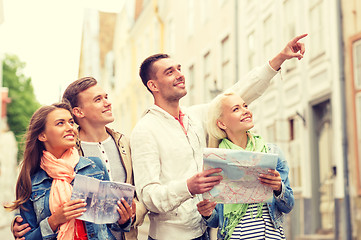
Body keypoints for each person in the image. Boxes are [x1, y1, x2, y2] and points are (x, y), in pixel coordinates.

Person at [130, 34, 306, 239]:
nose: (180, 74)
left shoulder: (195, 117)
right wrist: (188, 187)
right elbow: (148, 196)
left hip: (204, 232)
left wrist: (279, 59)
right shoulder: (145, 130)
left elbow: (237, 94)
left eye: (179, 68)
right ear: (154, 85)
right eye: (170, 72)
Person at [12, 77, 148, 240]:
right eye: (60, 123)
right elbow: (26, 233)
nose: (70, 127)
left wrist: (127, 218)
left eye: (70, 122)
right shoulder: (30, 179)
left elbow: (118, 214)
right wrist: (53, 221)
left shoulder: (105, 157)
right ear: (42, 135)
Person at [197, 92, 294, 240]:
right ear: (222, 123)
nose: (246, 111)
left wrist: (278, 188)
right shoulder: (215, 162)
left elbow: (288, 206)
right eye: (236, 109)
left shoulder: (272, 153)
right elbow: (216, 221)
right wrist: (207, 213)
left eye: (245, 106)